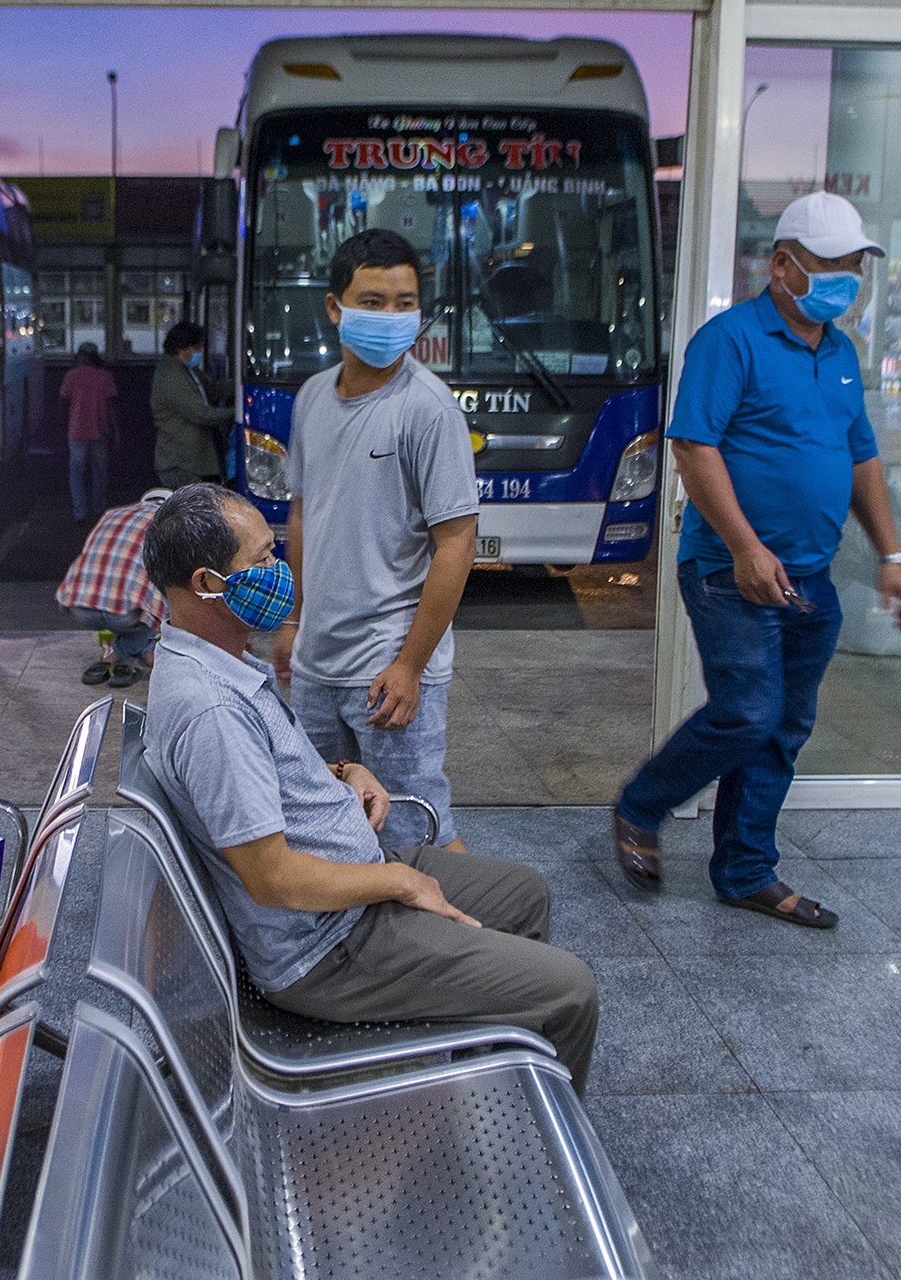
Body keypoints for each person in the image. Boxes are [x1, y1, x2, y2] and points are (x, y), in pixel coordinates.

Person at [141, 484, 597, 1094]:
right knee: (569, 991)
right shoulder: (211, 712)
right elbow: (271, 879)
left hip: (350, 880)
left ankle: (484, 1071)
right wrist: (400, 880)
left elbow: (255, 781)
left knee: (524, 893)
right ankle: (532, 1163)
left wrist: (343, 774)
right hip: (330, 946)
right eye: (261, 560)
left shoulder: (219, 660)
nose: (280, 573)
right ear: (206, 584)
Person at [612, 192, 901, 929]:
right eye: (833, 266)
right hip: (727, 568)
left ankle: (746, 868)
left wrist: (892, 553)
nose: (849, 280)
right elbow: (693, 444)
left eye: (856, 268)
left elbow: (861, 454)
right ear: (782, 266)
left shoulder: (839, 352)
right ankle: (640, 804)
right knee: (748, 711)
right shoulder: (731, 340)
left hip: (810, 572)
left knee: (783, 725)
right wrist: (747, 546)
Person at [273, 229, 479, 851]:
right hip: (316, 665)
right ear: (336, 307)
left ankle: (466, 939)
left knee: (416, 833)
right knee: (321, 827)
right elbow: (305, 516)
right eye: (374, 301)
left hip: (388, 666)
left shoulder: (429, 409)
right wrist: (294, 622)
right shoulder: (312, 396)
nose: (392, 317)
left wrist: (411, 665)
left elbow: (458, 543)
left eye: (404, 302)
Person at [57, 487, 170, 689]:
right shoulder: (170, 525)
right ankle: (117, 654)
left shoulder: (112, 513)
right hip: (123, 615)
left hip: (80, 607)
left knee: (127, 593)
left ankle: (143, 649)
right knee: (176, 590)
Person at [150, 321, 232, 489]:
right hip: (181, 464)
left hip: (193, 461)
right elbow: (202, 414)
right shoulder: (171, 377)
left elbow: (213, 390)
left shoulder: (186, 370)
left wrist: (241, 384)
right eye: (197, 348)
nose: (200, 352)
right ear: (182, 348)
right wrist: (238, 412)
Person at [60, 342, 119, 521]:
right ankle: (99, 508)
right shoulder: (105, 377)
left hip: (76, 430)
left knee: (76, 472)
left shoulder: (72, 375)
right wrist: (116, 431)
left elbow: (63, 401)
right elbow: (111, 406)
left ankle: (80, 511)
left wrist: (63, 423)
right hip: (100, 430)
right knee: (99, 471)